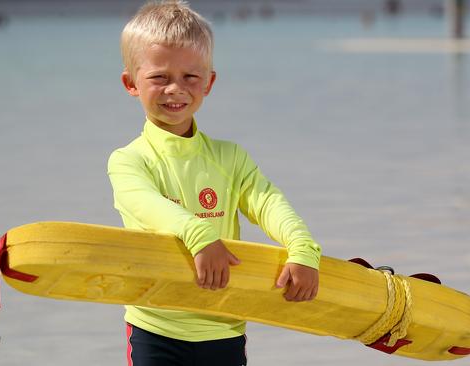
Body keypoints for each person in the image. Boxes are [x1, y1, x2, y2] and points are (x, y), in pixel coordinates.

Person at [107, 1, 321, 365]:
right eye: (160, 77)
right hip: (155, 327)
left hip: (223, 326)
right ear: (131, 83)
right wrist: (200, 235)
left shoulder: (229, 158)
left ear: (209, 82)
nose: (176, 89)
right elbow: (149, 205)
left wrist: (302, 247)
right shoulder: (128, 161)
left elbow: (268, 202)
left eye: (190, 77)